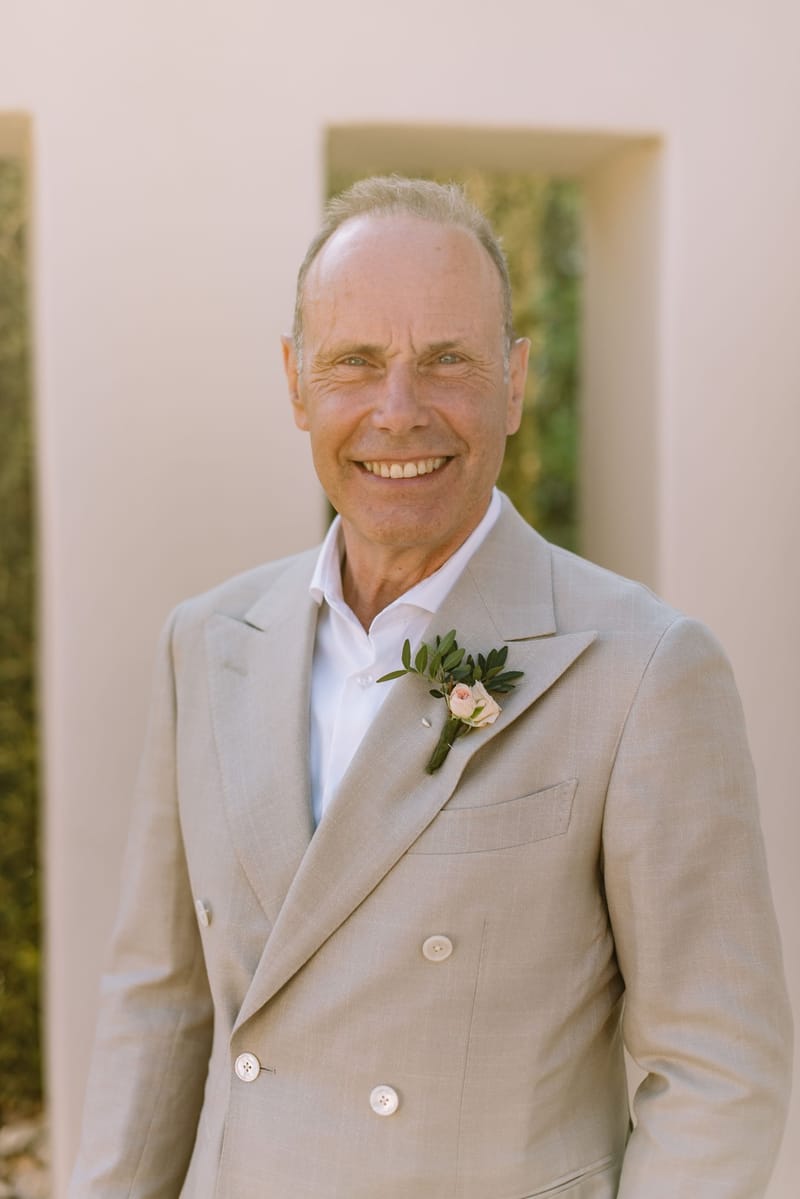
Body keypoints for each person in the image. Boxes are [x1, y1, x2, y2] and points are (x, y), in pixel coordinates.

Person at [70, 177, 792, 1198]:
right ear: (294, 382)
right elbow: (157, 1006)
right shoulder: (206, 643)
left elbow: (720, 1066)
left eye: (445, 359)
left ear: (512, 379)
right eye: (353, 362)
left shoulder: (643, 668)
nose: (397, 411)